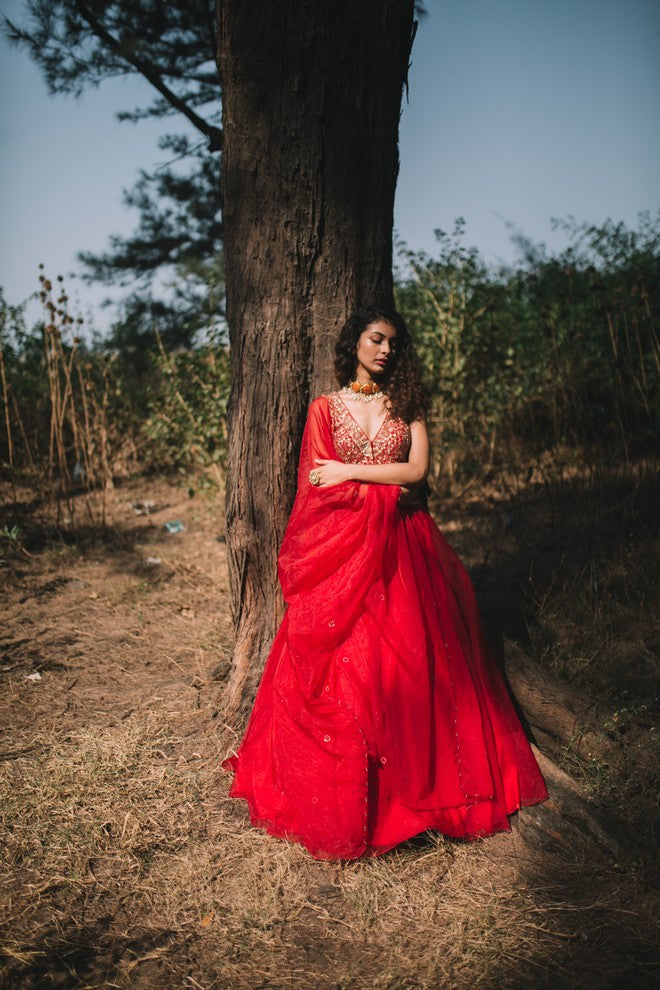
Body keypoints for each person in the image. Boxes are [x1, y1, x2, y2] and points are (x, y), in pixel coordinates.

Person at [222, 305, 549, 860]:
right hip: (345, 551)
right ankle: (364, 797)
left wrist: (352, 472)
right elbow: (316, 486)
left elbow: (416, 473)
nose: (385, 350)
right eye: (376, 339)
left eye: (394, 343)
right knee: (353, 668)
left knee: (418, 663)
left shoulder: (407, 404)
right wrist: (379, 488)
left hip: (408, 549)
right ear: (355, 342)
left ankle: (420, 794)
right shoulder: (324, 409)